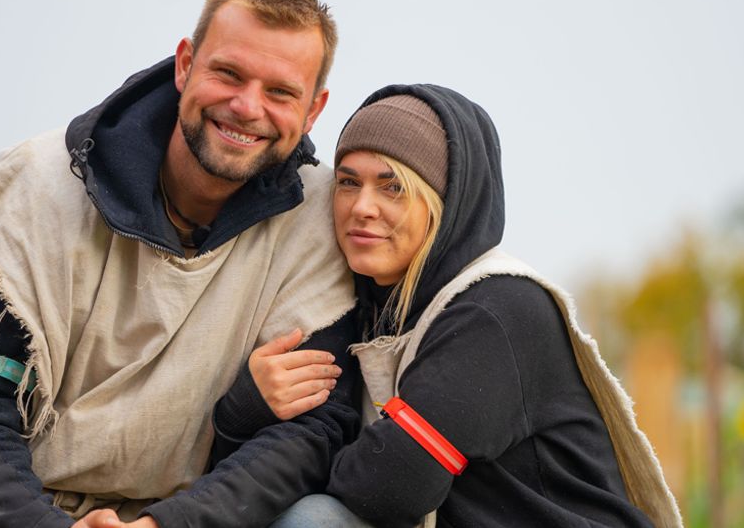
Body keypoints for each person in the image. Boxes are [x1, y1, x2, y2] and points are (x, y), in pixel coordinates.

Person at [0, 0, 364, 527]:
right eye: (227, 73)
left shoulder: (319, 218)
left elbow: (306, 434)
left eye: (279, 92)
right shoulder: (39, 188)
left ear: (314, 109)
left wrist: (166, 525)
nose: (247, 106)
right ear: (185, 64)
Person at [216, 85, 684, 527]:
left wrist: (318, 463)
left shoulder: (496, 310)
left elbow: (393, 486)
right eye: (347, 182)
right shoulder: (365, 311)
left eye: (392, 186)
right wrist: (247, 407)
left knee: (316, 520)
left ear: (446, 202)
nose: (361, 207)